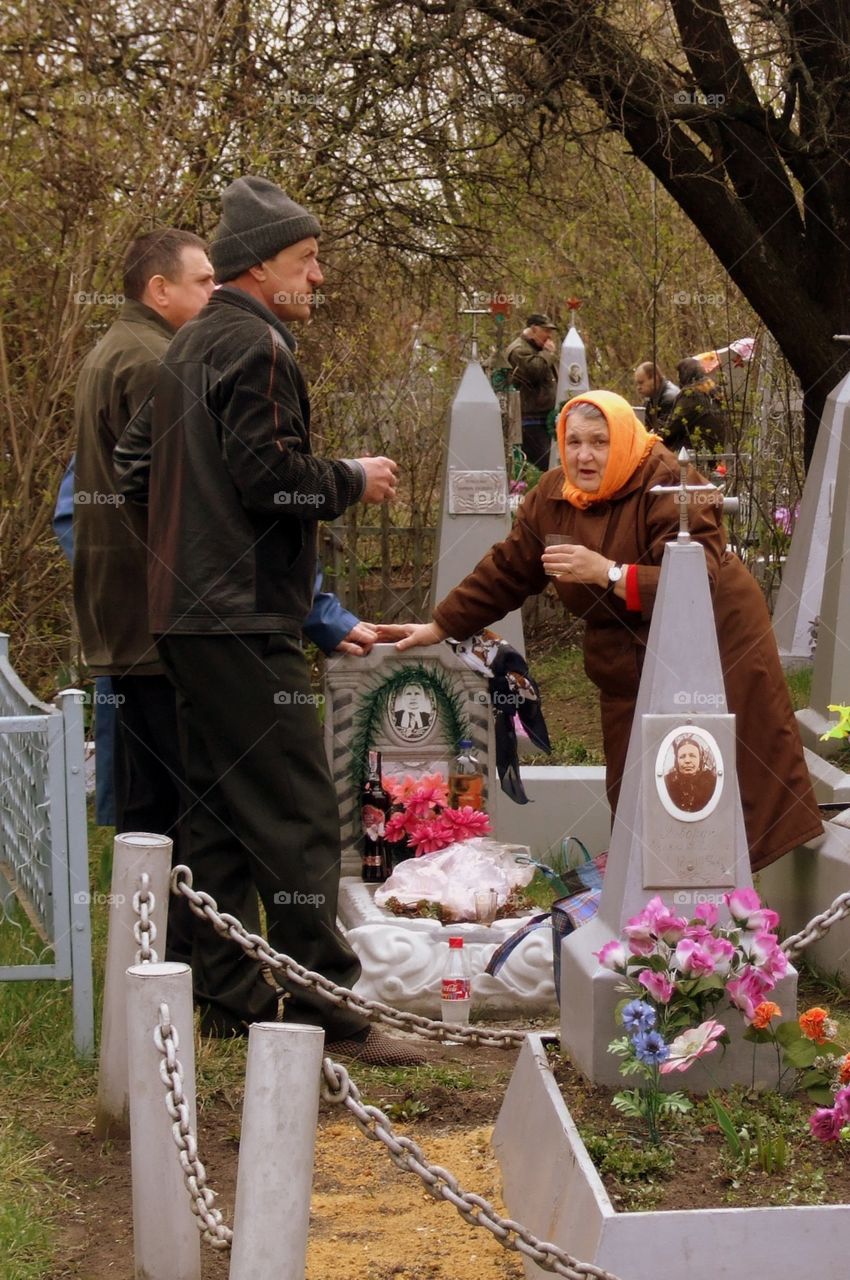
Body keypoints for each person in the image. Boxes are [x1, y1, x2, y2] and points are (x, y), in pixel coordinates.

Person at [146, 174, 422, 1064]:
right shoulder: (258, 348)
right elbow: (273, 480)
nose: (320, 276)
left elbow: (133, 466)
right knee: (300, 808)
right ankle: (325, 1006)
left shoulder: (188, 344)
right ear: (262, 266)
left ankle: (228, 997)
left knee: (219, 811)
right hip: (241, 616)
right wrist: (350, 478)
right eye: (308, 260)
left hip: (186, 615)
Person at [396, 389, 823, 873]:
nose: (584, 455)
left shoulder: (665, 480)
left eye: (598, 442)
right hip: (624, 647)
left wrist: (608, 572)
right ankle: (648, 891)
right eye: (573, 441)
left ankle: (731, 906)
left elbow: (692, 580)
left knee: (721, 760)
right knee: (633, 772)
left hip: (711, 637)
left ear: (620, 438)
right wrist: (440, 624)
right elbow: (509, 569)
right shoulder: (554, 495)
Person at [72, 228, 216, 961]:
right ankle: (180, 961)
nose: (213, 295)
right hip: (158, 616)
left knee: (146, 802)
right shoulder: (156, 360)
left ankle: (145, 958)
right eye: (201, 282)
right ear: (159, 290)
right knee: (182, 804)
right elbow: (179, 496)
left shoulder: (114, 350)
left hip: (123, 616)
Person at [506, 312, 559, 471]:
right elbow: (535, 371)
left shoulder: (536, 349)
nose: (549, 336)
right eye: (546, 331)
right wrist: (548, 353)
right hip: (529, 421)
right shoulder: (519, 350)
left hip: (543, 418)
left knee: (554, 462)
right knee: (549, 464)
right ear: (534, 329)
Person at [664, 357, 727, 454]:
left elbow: (673, 427)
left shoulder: (690, 395)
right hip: (715, 452)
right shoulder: (714, 392)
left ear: (683, 376)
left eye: (679, 375)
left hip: (693, 454)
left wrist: (654, 438)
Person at [663, 735, 717, 813]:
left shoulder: (712, 782)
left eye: (692, 756)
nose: (687, 760)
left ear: (700, 759)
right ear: (676, 761)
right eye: (682, 756)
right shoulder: (667, 783)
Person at [633, 362, 679, 429]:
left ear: (654, 378)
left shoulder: (669, 398)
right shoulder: (651, 397)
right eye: (637, 384)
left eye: (641, 383)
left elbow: (660, 431)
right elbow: (644, 424)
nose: (638, 387)